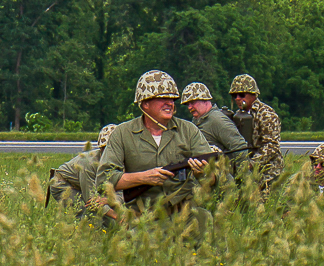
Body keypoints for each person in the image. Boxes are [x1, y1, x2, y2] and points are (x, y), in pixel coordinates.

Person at [95, 71, 214, 231]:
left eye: (172, 99)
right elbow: (104, 181)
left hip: (185, 215)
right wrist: (144, 178)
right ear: (145, 103)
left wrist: (202, 173)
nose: (170, 103)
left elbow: (213, 180)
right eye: (163, 98)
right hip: (143, 219)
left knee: (206, 223)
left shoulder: (188, 131)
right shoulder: (123, 134)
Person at [229, 74, 283, 196]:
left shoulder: (266, 114)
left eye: (241, 95)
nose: (237, 98)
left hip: (268, 173)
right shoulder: (238, 115)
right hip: (246, 174)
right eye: (234, 95)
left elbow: (272, 145)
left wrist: (251, 164)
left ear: (253, 94)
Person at [49, 124, 118, 214]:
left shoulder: (121, 162)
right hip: (63, 184)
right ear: (101, 148)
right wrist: (117, 217)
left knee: (109, 222)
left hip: (82, 185)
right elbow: (91, 200)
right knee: (87, 214)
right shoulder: (89, 163)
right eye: (105, 148)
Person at [180, 82, 250, 172]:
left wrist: (243, 178)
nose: (189, 107)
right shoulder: (197, 120)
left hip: (222, 178)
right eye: (187, 104)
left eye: (192, 103)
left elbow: (239, 146)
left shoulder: (216, 120)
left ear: (205, 100)